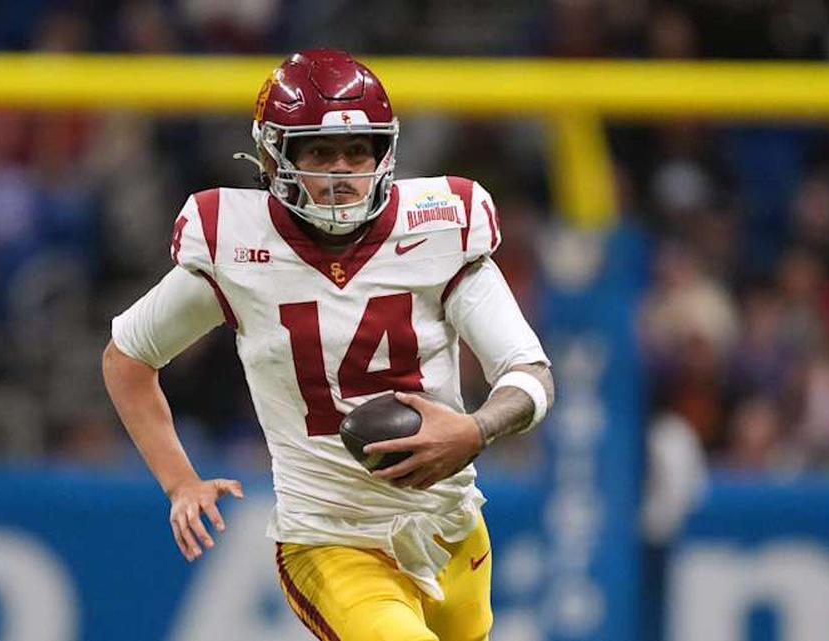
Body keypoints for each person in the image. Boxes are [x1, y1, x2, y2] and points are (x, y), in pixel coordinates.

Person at [102, 49, 553, 641]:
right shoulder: (236, 246)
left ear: (383, 153)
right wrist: (179, 481)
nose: (341, 171)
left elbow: (530, 373)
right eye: (319, 152)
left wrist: (475, 430)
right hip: (330, 537)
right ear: (275, 156)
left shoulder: (441, 228)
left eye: (356, 150)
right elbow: (128, 358)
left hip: (452, 529)